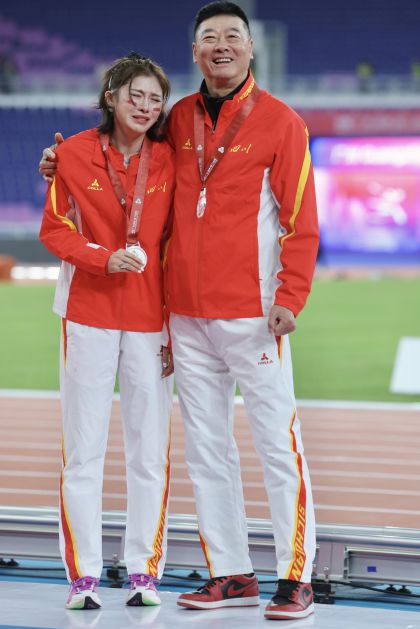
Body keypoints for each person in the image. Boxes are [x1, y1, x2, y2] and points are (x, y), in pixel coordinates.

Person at [39, 2, 319, 621]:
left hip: (253, 314)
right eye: (208, 37)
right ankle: (231, 572)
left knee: (277, 444)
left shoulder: (283, 123)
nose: (221, 45)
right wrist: (59, 165)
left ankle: (295, 575)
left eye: (232, 36)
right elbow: (115, 153)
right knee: (206, 450)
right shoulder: (179, 119)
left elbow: (301, 222)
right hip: (184, 318)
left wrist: (289, 298)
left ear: (250, 47)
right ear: (195, 52)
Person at [39, 53, 175, 610]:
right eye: (134, 95)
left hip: (151, 318)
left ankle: (144, 571)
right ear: (111, 96)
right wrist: (101, 258)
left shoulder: (170, 158)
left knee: (149, 451)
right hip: (88, 313)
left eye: (155, 99)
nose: (145, 107)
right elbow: (54, 228)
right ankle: (83, 575)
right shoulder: (71, 154)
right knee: (83, 450)